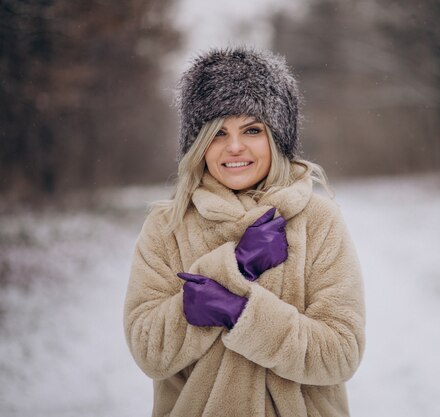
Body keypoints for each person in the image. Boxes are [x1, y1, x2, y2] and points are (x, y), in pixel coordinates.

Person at [123, 47, 366, 417]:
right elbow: (148, 351)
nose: (234, 147)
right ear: (198, 145)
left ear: (278, 138)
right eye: (217, 133)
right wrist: (236, 265)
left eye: (252, 130)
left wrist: (242, 313)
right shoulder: (167, 226)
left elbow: (340, 354)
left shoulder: (317, 220)